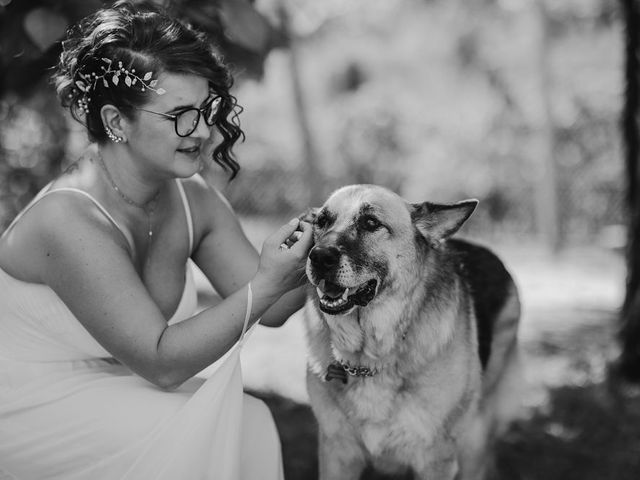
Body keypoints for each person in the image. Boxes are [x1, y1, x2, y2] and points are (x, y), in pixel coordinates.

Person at [0, 1, 313, 479]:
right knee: (202, 429)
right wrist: (266, 284)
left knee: (253, 422)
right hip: (26, 404)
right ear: (116, 121)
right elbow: (163, 364)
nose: (205, 131)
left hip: (114, 391)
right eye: (181, 115)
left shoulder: (192, 198)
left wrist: (328, 247)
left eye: (206, 109)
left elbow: (272, 308)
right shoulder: (66, 220)